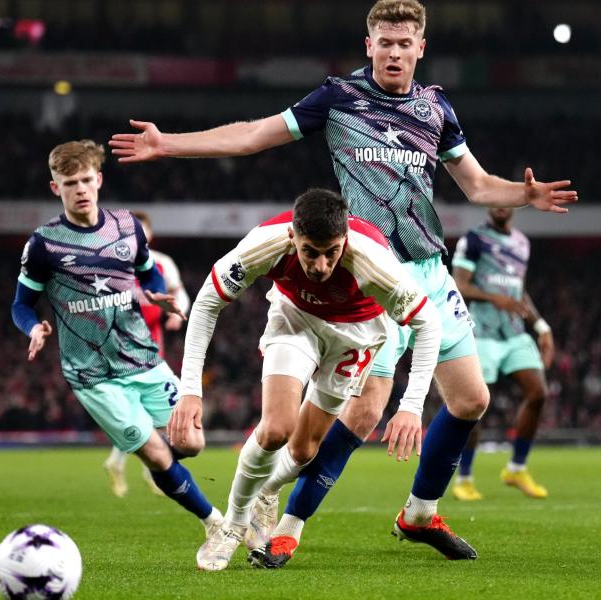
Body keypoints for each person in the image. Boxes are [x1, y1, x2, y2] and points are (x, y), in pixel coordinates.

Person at [110, 0, 576, 562]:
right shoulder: (338, 98)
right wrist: (169, 144)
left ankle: (420, 514)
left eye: (406, 43)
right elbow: (256, 135)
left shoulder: (436, 108)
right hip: (370, 276)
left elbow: (477, 186)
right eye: (386, 42)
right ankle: (285, 529)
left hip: (429, 270)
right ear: (369, 44)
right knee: (361, 412)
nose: (396, 52)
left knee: (472, 400)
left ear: (421, 49)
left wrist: (522, 195)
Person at [171, 189, 441, 571]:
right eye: (310, 251)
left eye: (331, 251)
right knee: (276, 429)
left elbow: (428, 323)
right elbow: (206, 303)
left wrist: (411, 406)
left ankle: (266, 491)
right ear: (292, 237)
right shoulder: (265, 244)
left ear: (343, 239)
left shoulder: (371, 259)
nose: (321, 264)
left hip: (358, 333)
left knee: (303, 451)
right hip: (295, 321)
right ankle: (231, 526)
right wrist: (190, 391)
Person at [11, 139, 222, 538]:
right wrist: (33, 327)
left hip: (143, 358)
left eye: (86, 179)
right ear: (55, 188)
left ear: (99, 180)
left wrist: (158, 291)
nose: (80, 189)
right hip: (93, 376)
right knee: (160, 456)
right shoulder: (44, 244)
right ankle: (215, 524)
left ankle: (154, 457)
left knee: (191, 442)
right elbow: (21, 305)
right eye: (69, 182)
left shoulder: (127, 227)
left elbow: (148, 273)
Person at [449, 207, 555, 501]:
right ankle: (465, 478)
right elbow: (459, 284)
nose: (499, 205)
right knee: (475, 405)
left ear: (514, 205)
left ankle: (516, 468)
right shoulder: (474, 239)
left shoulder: (522, 243)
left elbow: (518, 292)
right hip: (482, 331)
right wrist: (494, 298)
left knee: (538, 393)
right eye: (493, 200)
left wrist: (541, 326)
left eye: (504, 200)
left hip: (514, 332)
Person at [102, 210, 192, 498]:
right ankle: (153, 468)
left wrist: (180, 313)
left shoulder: (163, 263)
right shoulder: (112, 267)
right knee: (144, 406)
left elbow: (181, 294)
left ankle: (128, 463)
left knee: (143, 408)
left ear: (150, 235)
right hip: (121, 344)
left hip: (153, 344)